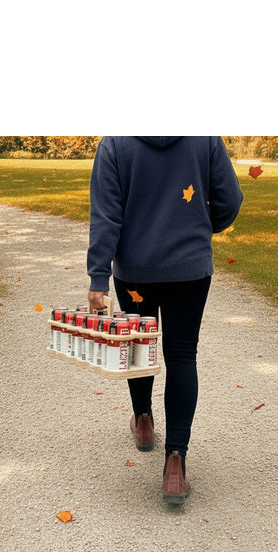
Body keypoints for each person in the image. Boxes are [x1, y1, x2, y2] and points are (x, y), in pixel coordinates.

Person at [87, 136, 243, 504]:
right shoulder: (204, 136)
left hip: (136, 271)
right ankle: (175, 462)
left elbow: (106, 213)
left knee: (140, 348)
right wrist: (205, 225)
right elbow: (231, 199)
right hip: (190, 267)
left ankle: (143, 421)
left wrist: (98, 276)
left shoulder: (115, 141)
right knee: (182, 354)